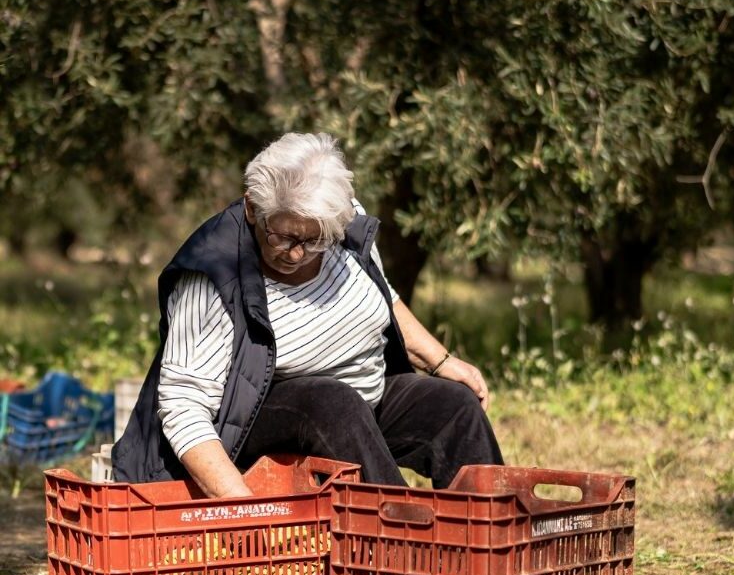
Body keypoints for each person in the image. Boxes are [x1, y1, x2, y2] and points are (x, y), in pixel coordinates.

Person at [113, 132, 503, 495]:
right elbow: (183, 406)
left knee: (454, 406)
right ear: (252, 208)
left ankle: (489, 546)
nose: (297, 253)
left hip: (361, 409)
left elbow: (384, 294)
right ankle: (402, 542)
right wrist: (245, 505)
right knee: (332, 401)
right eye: (283, 237)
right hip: (253, 428)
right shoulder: (214, 274)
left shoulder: (339, 224)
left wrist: (442, 361)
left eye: (314, 240)